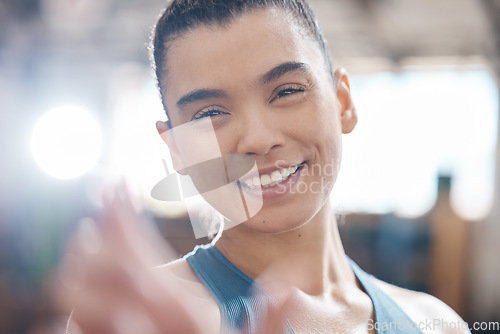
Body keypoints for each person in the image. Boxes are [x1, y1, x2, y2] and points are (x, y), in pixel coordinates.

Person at [59, 0, 471, 333]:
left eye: (287, 90)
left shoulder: (436, 323)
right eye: (208, 114)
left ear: (343, 103)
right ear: (177, 151)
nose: (256, 138)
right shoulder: (142, 319)